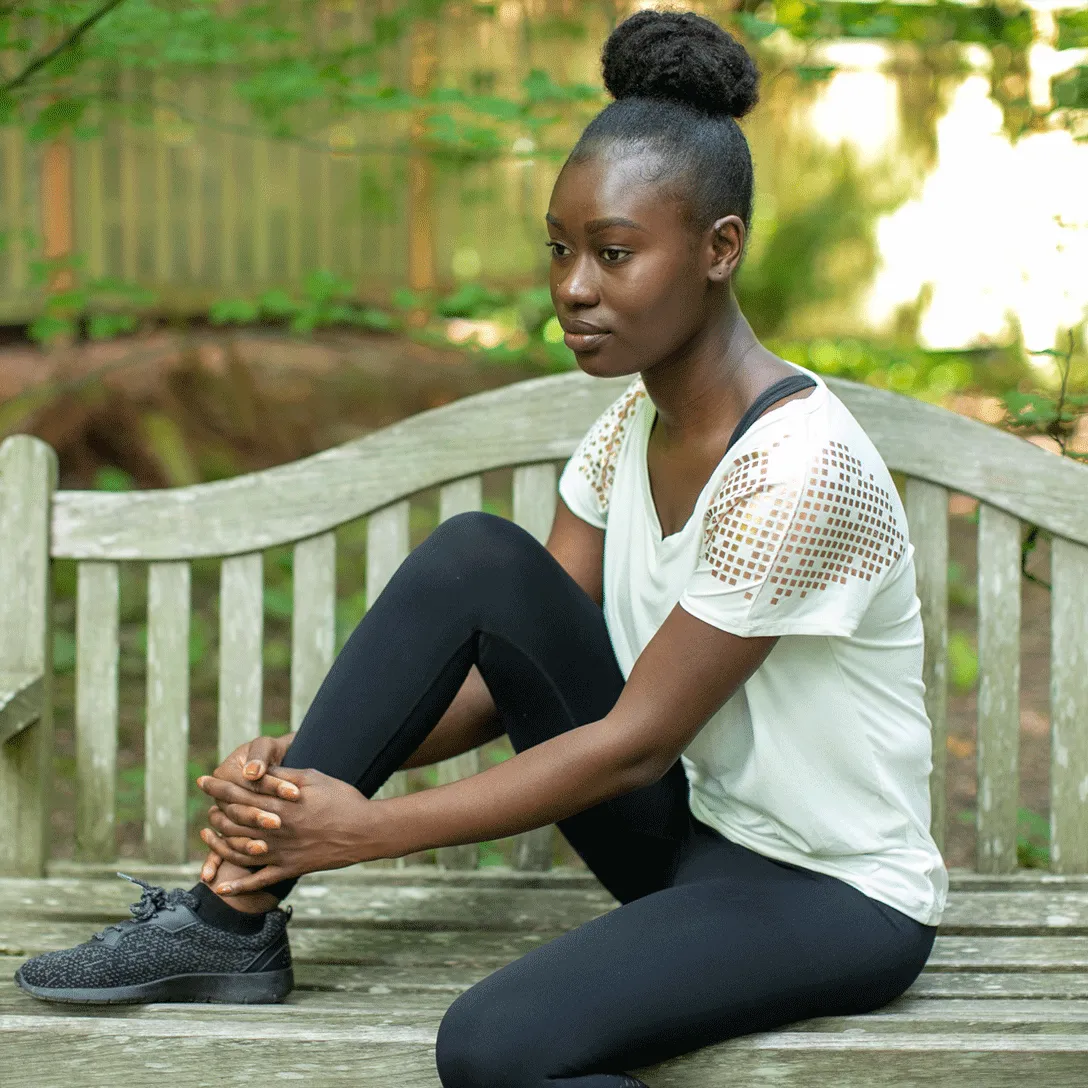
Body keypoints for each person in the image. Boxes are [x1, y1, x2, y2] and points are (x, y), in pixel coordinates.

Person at [16, 10, 946, 1086]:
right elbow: (519, 678)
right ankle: (228, 919)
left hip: (830, 893)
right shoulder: (623, 433)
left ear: (718, 248)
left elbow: (633, 742)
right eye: (558, 249)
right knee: (477, 560)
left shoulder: (795, 467)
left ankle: (238, 905)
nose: (571, 288)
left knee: (493, 1047)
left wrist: (359, 829)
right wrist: (297, 775)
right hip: (692, 842)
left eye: (611, 252)